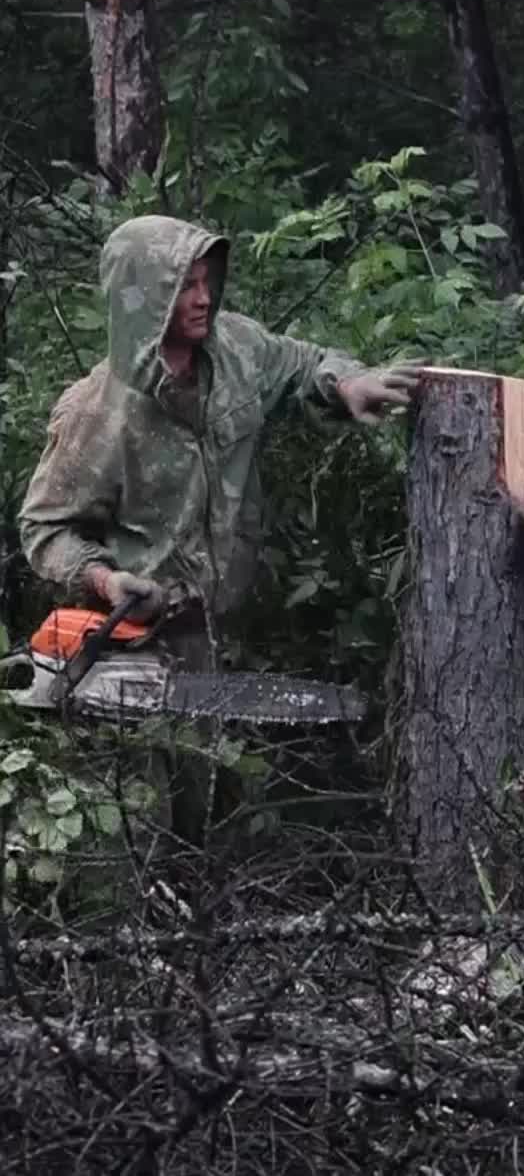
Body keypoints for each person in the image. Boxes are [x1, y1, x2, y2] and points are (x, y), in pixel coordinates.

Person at [18, 214, 420, 843]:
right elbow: (45, 530)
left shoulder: (236, 351)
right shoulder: (97, 411)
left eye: (207, 281)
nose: (203, 297)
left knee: (213, 823)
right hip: (131, 649)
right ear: (146, 297)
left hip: (219, 640)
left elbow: (300, 364)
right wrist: (106, 577)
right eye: (184, 285)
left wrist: (346, 383)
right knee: (142, 830)